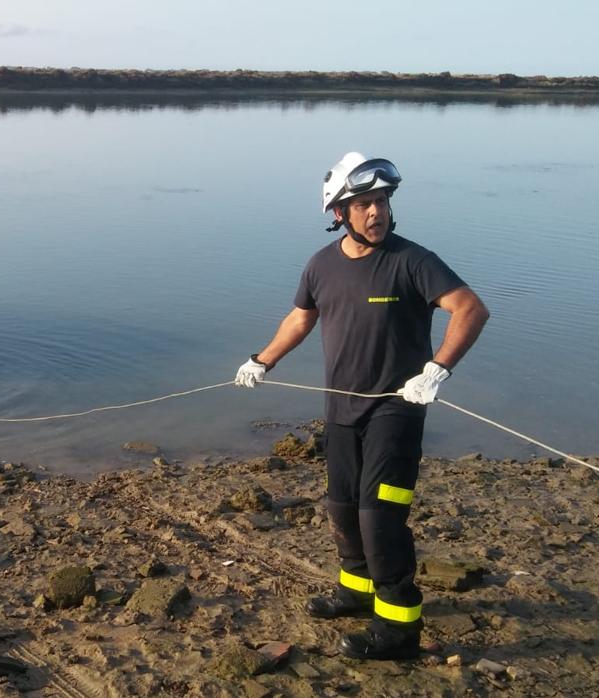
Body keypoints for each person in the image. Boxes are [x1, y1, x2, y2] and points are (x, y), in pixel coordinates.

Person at [234, 152, 490, 660]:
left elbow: (470, 308)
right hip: (341, 411)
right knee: (342, 508)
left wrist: (437, 369)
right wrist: (261, 360)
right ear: (339, 213)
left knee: (381, 518)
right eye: (365, 204)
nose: (377, 213)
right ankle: (355, 592)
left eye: (382, 202)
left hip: (396, 411)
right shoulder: (321, 265)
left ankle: (398, 629)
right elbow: (300, 320)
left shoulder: (412, 261)